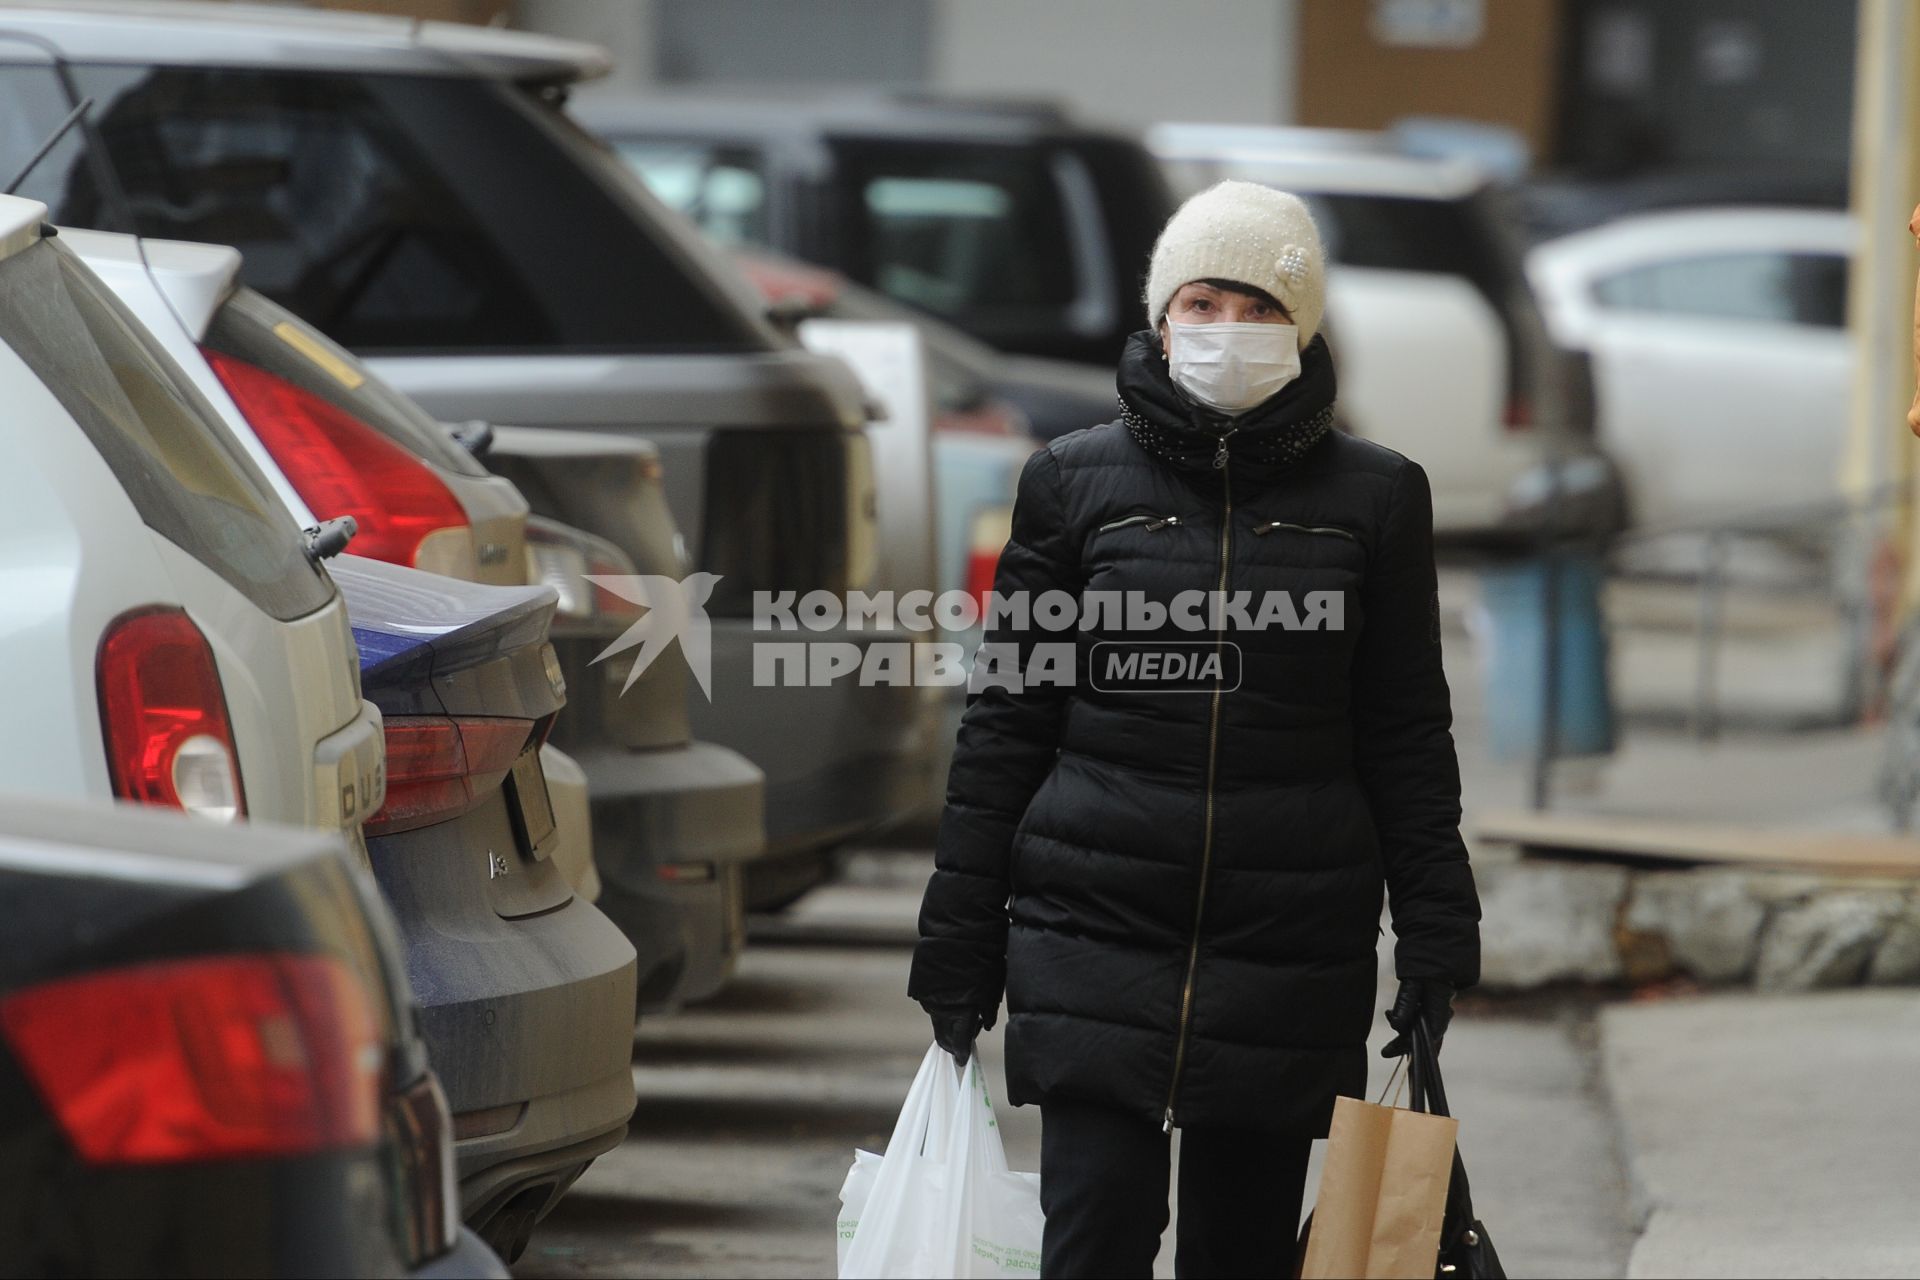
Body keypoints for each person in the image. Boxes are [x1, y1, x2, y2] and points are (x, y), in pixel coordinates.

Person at [909, 180, 1483, 1278]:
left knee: (1241, 1254)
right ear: (1161, 316)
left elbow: (1406, 730)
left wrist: (1437, 936)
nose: (1227, 330)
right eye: (1203, 302)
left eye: (1259, 306)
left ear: (1302, 325)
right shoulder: (1071, 483)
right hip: (1093, 929)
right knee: (1096, 1236)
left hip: (1287, 943)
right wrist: (958, 936)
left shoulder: (1377, 496)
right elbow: (1006, 727)